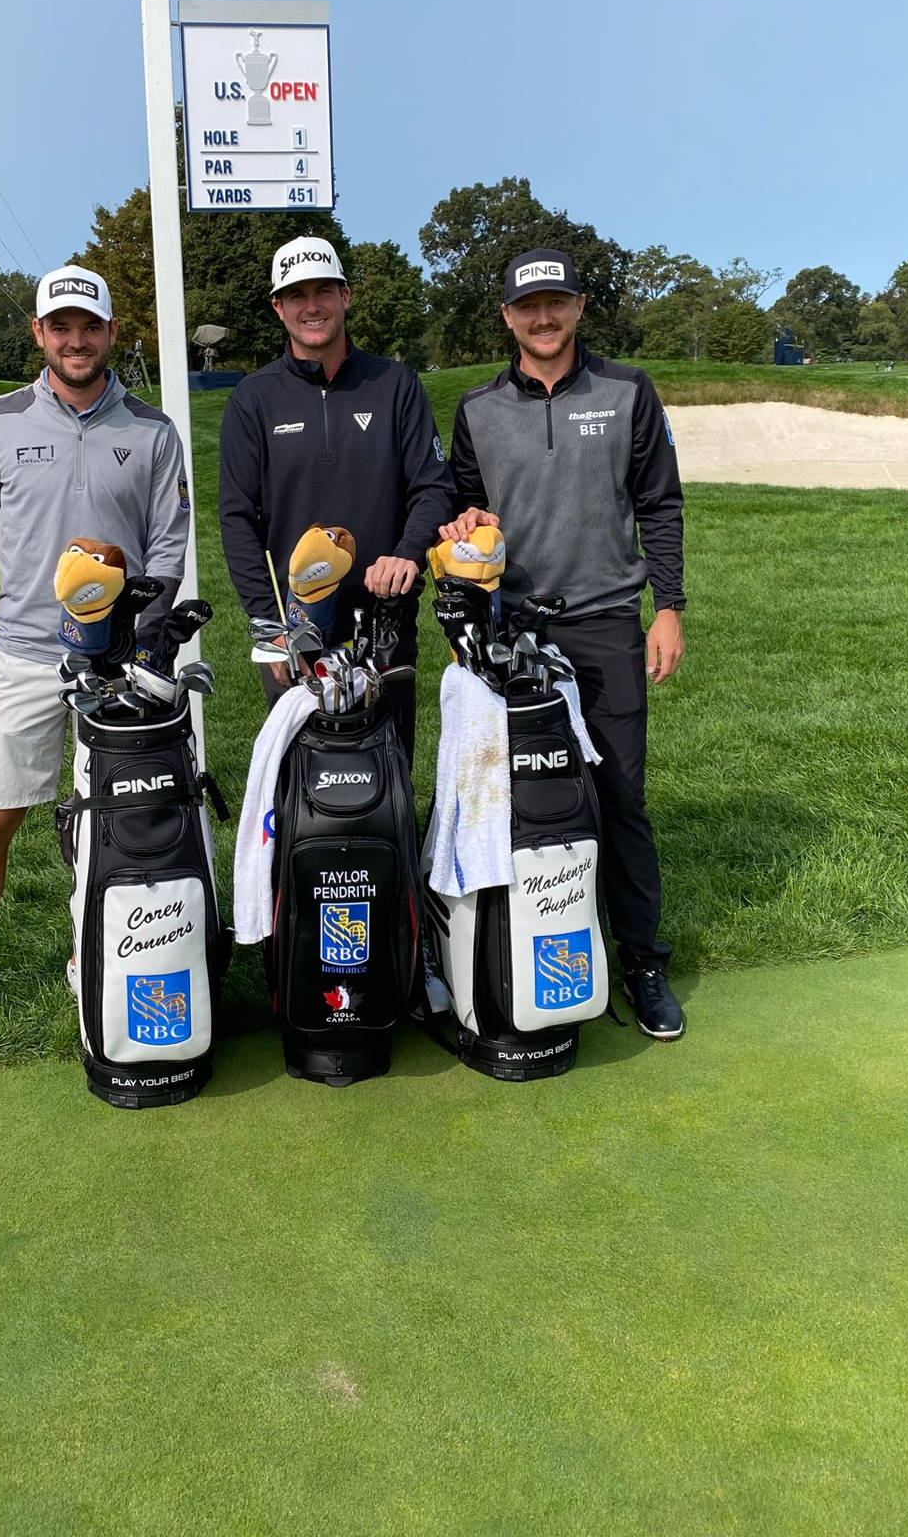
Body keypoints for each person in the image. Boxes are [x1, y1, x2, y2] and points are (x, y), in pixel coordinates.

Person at [0, 265, 189, 1065]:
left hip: (115, 667)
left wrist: (145, 644)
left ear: (112, 333)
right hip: (20, 658)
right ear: (39, 335)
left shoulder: (153, 431)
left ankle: (95, 957)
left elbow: (168, 548)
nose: (76, 340)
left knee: (120, 825)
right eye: (60, 327)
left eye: (89, 326)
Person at [441, 248, 688, 1040]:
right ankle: (522, 956)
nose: (542, 318)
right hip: (511, 634)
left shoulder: (627, 391)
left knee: (619, 797)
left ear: (580, 306)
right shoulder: (477, 407)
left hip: (607, 623)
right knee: (519, 806)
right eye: (527, 306)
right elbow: (463, 511)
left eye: (557, 303)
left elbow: (659, 502)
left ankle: (642, 962)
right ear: (506, 315)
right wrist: (465, 528)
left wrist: (669, 607)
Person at [217, 235, 455, 762]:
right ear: (279, 307)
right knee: (304, 781)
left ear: (346, 296)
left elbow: (433, 488)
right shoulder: (253, 398)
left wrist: (407, 553)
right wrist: (269, 625)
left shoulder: (396, 384)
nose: (312, 306)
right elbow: (237, 518)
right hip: (295, 626)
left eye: (324, 290)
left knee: (386, 769)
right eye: (297, 294)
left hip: (384, 615)